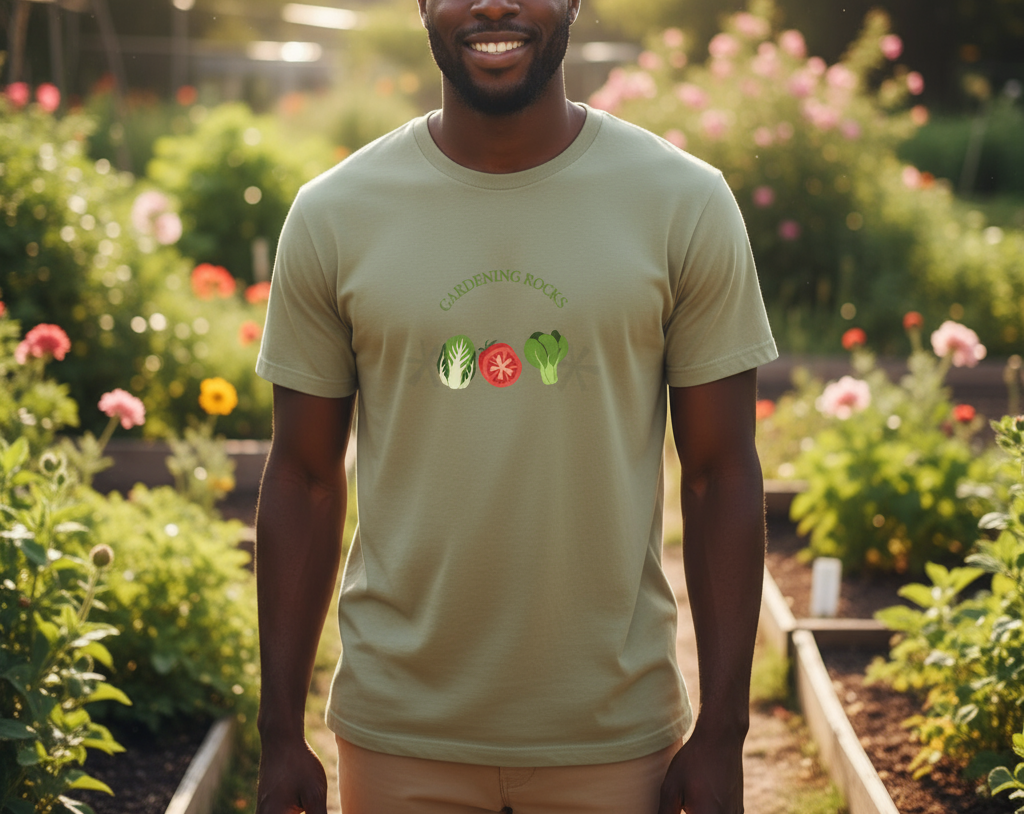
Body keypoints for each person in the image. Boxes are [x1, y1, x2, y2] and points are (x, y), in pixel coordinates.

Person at [253, 0, 778, 812]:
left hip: (612, 735)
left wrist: (723, 731)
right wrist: (279, 730)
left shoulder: (683, 202)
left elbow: (719, 474)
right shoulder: (334, 213)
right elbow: (303, 478)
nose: (493, 5)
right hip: (399, 736)